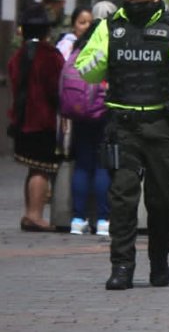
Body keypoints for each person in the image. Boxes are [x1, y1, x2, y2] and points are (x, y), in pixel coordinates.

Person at [76, 0, 169, 290]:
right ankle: (121, 266)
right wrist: (103, 54)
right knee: (122, 199)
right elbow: (85, 69)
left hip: (162, 126)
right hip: (123, 127)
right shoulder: (111, 28)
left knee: (162, 201)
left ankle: (159, 259)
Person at [8, 5, 65, 232]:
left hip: (21, 120)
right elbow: (56, 88)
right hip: (43, 121)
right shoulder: (50, 56)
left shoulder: (17, 56)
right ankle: (35, 215)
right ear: (46, 31)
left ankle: (29, 212)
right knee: (41, 169)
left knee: (32, 168)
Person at [60, 15, 110, 236]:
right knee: (102, 167)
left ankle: (78, 219)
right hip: (103, 116)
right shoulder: (106, 53)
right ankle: (102, 220)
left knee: (82, 166)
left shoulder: (77, 52)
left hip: (79, 116)